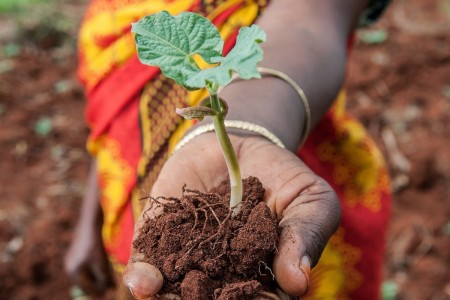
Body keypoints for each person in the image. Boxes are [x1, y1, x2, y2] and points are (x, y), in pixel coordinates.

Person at [64, 0, 392, 299]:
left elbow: (310, 19)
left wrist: (246, 127)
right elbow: (115, 109)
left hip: (282, 167)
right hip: (142, 224)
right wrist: (90, 220)